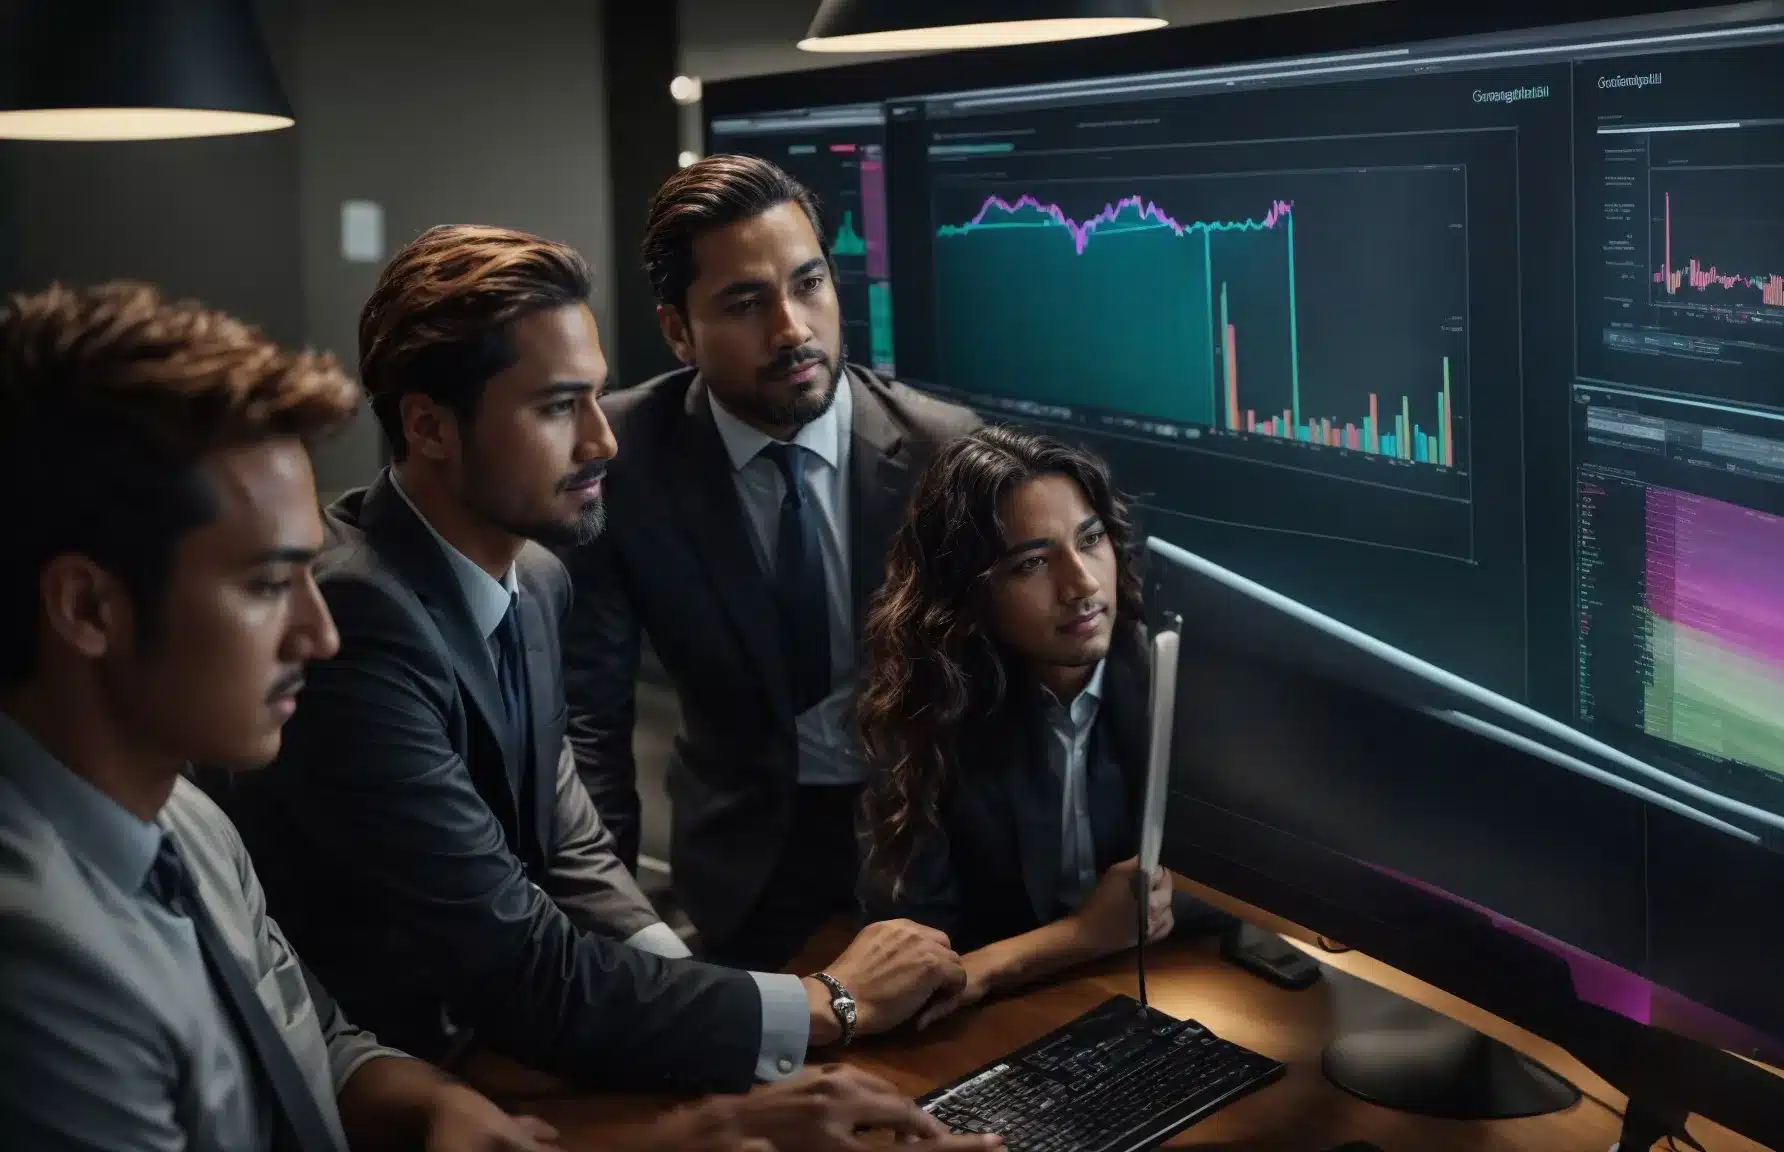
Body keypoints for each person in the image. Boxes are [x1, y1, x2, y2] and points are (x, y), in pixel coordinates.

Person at [215, 225, 969, 1097]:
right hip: (389, 1084)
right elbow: (517, 966)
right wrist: (828, 1004)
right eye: (554, 407)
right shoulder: (355, 619)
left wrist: (692, 986)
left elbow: (569, 840)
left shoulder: (535, 575)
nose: (602, 441)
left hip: (505, 1047)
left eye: (598, 399)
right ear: (428, 426)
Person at [0, 281, 557, 1150]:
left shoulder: (189, 821)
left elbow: (314, 1043)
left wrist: (432, 1106)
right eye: (266, 585)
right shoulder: (35, 967)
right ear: (88, 608)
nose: (321, 633)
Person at [556, 154, 982, 971]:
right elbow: (587, 725)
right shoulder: (620, 460)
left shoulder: (946, 454)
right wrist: (612, 938)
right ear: (678, 331)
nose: (791, 329)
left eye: (809, 284)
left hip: (930, 855)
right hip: (741, 861)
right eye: (746, 303)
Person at [856, 426, 1203, 1028]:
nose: (1083, 585)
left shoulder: (1179, 683)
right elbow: (915, 963)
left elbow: (1254, 900)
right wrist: (1084, 935)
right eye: (1033, 563)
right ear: (970, 593)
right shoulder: (923, 709)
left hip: (1176, 995)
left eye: (1090, 540)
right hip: (1001, 1022)